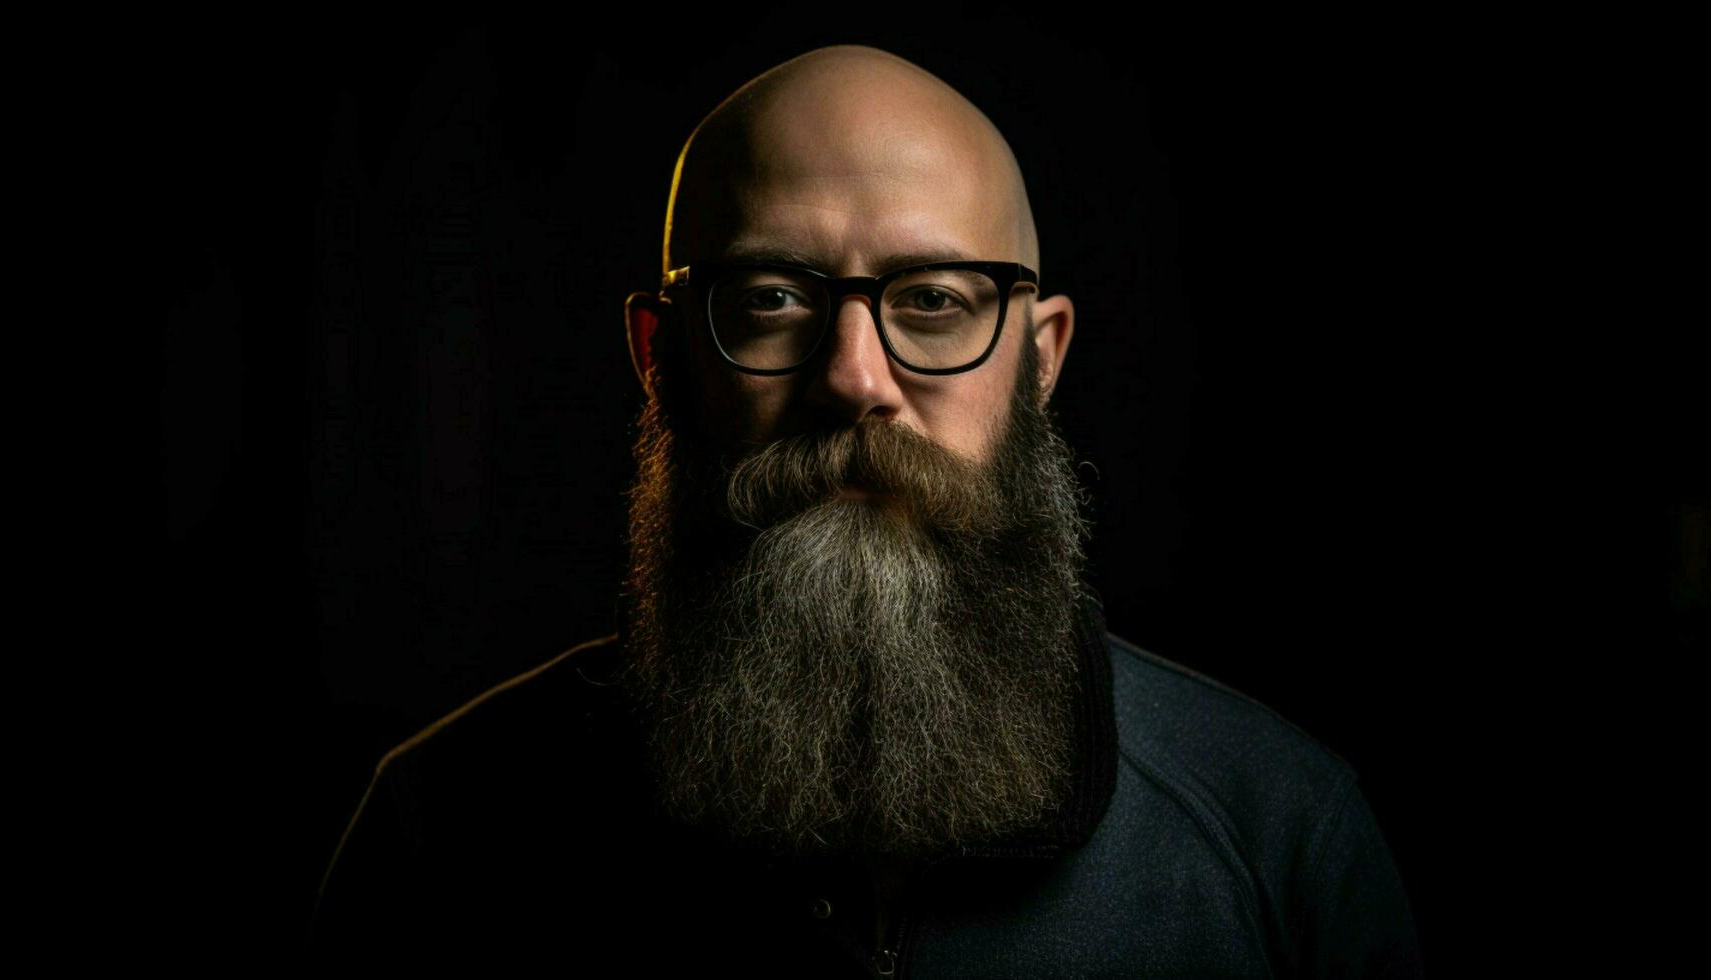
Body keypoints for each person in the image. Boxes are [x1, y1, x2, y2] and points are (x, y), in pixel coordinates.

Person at [311, 44, 1423, 976]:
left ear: (1039, 364)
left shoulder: (1278, 835)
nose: (855, 375)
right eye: (773, 298)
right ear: (661, 359)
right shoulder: (447, 836)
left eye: (935, 301)